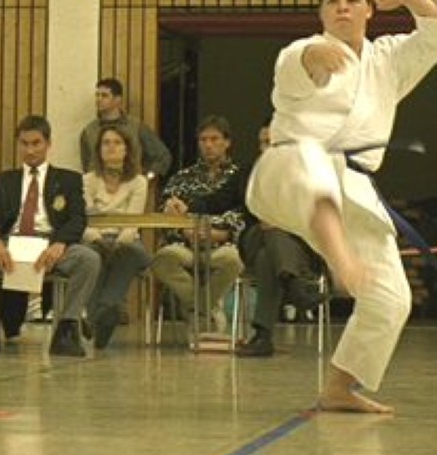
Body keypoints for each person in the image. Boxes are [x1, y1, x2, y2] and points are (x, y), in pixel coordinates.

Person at [246, 0, 437, 414]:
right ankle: (340, 260)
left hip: (354, 187)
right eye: (332, 1)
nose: (342, 7)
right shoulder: (303, 49)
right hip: (287, 169)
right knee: (315, 162)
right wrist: (317, 56)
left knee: (391, 298)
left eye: (352, 0)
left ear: (369, 10)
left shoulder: (388, 60)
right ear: (321, 12)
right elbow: (296, 65)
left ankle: (340, 388)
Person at [0, 114, 100, 357]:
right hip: (10, 243)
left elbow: (77, 218)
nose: (30, 150)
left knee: (89, 260)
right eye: (24, 144)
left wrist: (60, 243)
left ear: (48, 144)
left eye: (36, 143)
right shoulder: (5, 180)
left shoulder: (68, 180)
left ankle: (66, 329)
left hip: (49, 242)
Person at [233, 122, 326, 359]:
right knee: (268, 232)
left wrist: (283, 222)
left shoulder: (307, 175)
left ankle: (263, 337)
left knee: (267, 258)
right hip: (256, 238)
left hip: (298, 248)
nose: (265, 149)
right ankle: (295, 287)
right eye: (262, 143)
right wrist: (183, 203)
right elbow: (216, 199)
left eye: (271, 143)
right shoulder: (249, 172)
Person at [147, 114, 246, 332]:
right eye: (203, 140)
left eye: (214, 139)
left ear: (227, 142)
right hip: (186, 244)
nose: (208, 145)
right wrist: (185, 229)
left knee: (233, 261)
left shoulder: (240, 178)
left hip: (222, 244)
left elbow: (244, 215)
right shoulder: (182, 178)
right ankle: (206, 309)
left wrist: (220, 232)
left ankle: (197, 311)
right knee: (162, 259)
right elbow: (165, 214)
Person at [82, 122, 152, 349]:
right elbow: (85, 220)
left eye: (117, 143)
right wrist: (98, 239)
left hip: (127, 240)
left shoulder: (139, 182)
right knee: (91, 255)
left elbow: (132, 222)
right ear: (98, 149)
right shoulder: (87, 180)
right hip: (95, 238)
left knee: (127, 253)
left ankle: (97, 315)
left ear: (127, 149)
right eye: (106, 143)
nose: (111, 147)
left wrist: (118, 242)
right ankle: (105, 316)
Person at [78, 78, 172, 179]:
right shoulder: (89, 131)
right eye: (97, 95)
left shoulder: (136, 127)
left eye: (104, 95)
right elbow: (87, 166)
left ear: (117, 99)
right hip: (99, 186)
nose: (99, 99)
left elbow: (162, 156)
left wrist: (147, 178)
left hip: (131, 185)